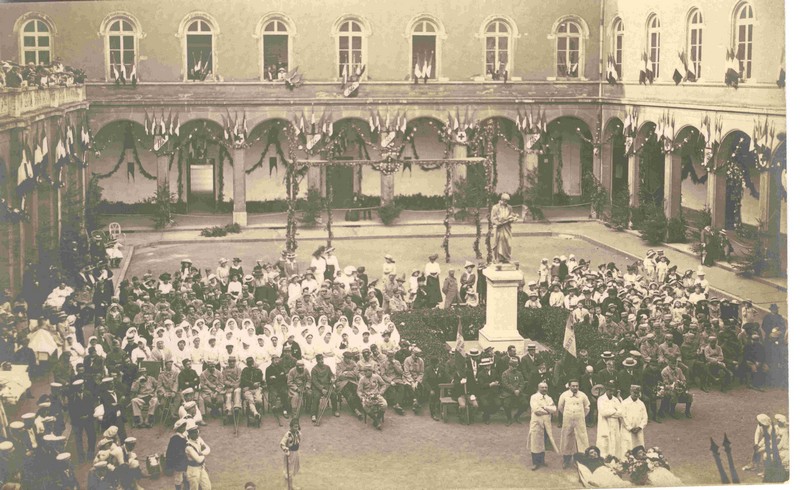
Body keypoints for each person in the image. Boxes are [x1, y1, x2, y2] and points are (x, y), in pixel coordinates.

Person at [558, 379, 591, 469]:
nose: (575, 387)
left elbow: (587, 407)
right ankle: (566, 459)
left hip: (579, 421)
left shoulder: (582, 395)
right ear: (569, 386)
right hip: (568, 420)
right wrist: (568, 415)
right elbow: (560, 407)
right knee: (567, 438)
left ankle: (582, 459)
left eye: (577, 386)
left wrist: (581, 415)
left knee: (581, 438)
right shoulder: (564, 395)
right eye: (573, 386)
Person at [528, 381, 558, 470]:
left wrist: (544, 407)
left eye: (546, 387)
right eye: (542, 387)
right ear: (538, 388)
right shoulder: (534, 397)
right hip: (537, 423)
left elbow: (554, 409)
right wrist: (548, 410)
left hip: (546, 423)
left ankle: (542, 461)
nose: (544, 389)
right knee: (535, 442)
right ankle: (535, 463)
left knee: (543, 441)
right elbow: (536, 410)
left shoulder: (549, 398)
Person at [596, 381, 624, 459]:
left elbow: (621, 412)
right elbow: (603, 412)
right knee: (605, 443)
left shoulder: (616, 400)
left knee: (615, 441)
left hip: (614, 424)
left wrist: (610, 413)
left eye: (613, 390)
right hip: (604, 424)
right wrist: (614, 410)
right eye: (609, 390)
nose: (611, 392)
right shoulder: (601, 399)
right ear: (606, 389)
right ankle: (604, 459)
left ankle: (615, 458)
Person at [357, 365, 387, 430]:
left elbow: (383, 385)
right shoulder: (362, 379)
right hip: (367, 396)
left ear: (371, 371)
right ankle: (375, 420)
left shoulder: (376, 377)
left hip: (376, 395)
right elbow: (359, 390)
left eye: (367, 371)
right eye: (365, 371)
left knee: (384, 404)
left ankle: (378, 418)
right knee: (365, 406)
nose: (366, 372)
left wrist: (381, 392)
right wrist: (362, 397)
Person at [491, 193, 518, 263]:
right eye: (505, 201)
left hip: (507, 228)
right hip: (499, 228)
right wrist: (498, 222)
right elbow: (493, 218)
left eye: (507, 201)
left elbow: (511, 215)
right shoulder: (495, 207)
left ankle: (506, 258)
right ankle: (499, 258)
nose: (506, 202)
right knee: (500, 242)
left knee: (508, 243)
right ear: (501, 199)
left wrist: (513, 218)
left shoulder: (509, 207)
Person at [184, 420, 211, 490]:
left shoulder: (199, 439)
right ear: (189, 434)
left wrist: (202, 453)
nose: (196, 434)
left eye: (196, 431)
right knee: (194, 488)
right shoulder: (188, 446)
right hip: (193, 470)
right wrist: (203, 455)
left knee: (207, 487)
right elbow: (198, 460)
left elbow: (208, 449)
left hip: (201, 467)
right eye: (194, 432)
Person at [620, 385, 648, 453]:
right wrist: (630, 428)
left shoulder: (641, 404)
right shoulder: (624, 403)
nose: (636, 395)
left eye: (637, 393)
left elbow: (645, 417)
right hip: (627, 430)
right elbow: (623, 417)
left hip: (638, 430)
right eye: (634, 393)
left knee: (639, 448)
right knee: (627, 448)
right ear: (630, 392)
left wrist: (640, 427)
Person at [310, 354, 337, 423]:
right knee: (316, 397)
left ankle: (335, 410)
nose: (321, 361)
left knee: (333, 394)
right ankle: (313, 414)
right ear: (317, 361)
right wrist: (321, 389)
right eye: (319, 360)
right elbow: (314, 381)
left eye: (322, 359)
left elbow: (331, 375)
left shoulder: (327, 367)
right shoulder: (314, 369)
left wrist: (332, 378)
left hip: (327, 386)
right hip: (317, 387)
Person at [500, 357, 526, 425]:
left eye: (515, 366)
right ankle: (509, 418)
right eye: (512, 366)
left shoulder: (519, 373)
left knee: (525, 403)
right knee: (506, 404)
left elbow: (522, 383)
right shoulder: (505, 373)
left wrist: (519, 390)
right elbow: (505, 384)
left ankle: (517, 416)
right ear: (509, 365)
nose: (514, 368)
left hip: (518, 393)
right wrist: (514, 390)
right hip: (508, 393)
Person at [165, 419, 189, 490]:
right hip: (178, 459)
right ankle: (178, 488)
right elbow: (171, 451)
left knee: (186, 473)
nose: (184, 428)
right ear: (178, 429)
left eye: (184, 426)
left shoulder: (184, 436)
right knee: (179, 476)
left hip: (184, 458)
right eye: (182, 427)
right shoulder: (175, 438)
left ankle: (186, 486)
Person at [280, 418, 301, 488]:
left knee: (294, 469)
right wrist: (286, 449)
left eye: (297, 426)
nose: (296, 428)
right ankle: (289, 487)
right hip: (290, 454)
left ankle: (290, 485)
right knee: (289, 471)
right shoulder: (288, 434)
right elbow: (282, 443)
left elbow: (298, 441)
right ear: (291, 426)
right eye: (295, 427)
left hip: (296, 453)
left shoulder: (298, 433)